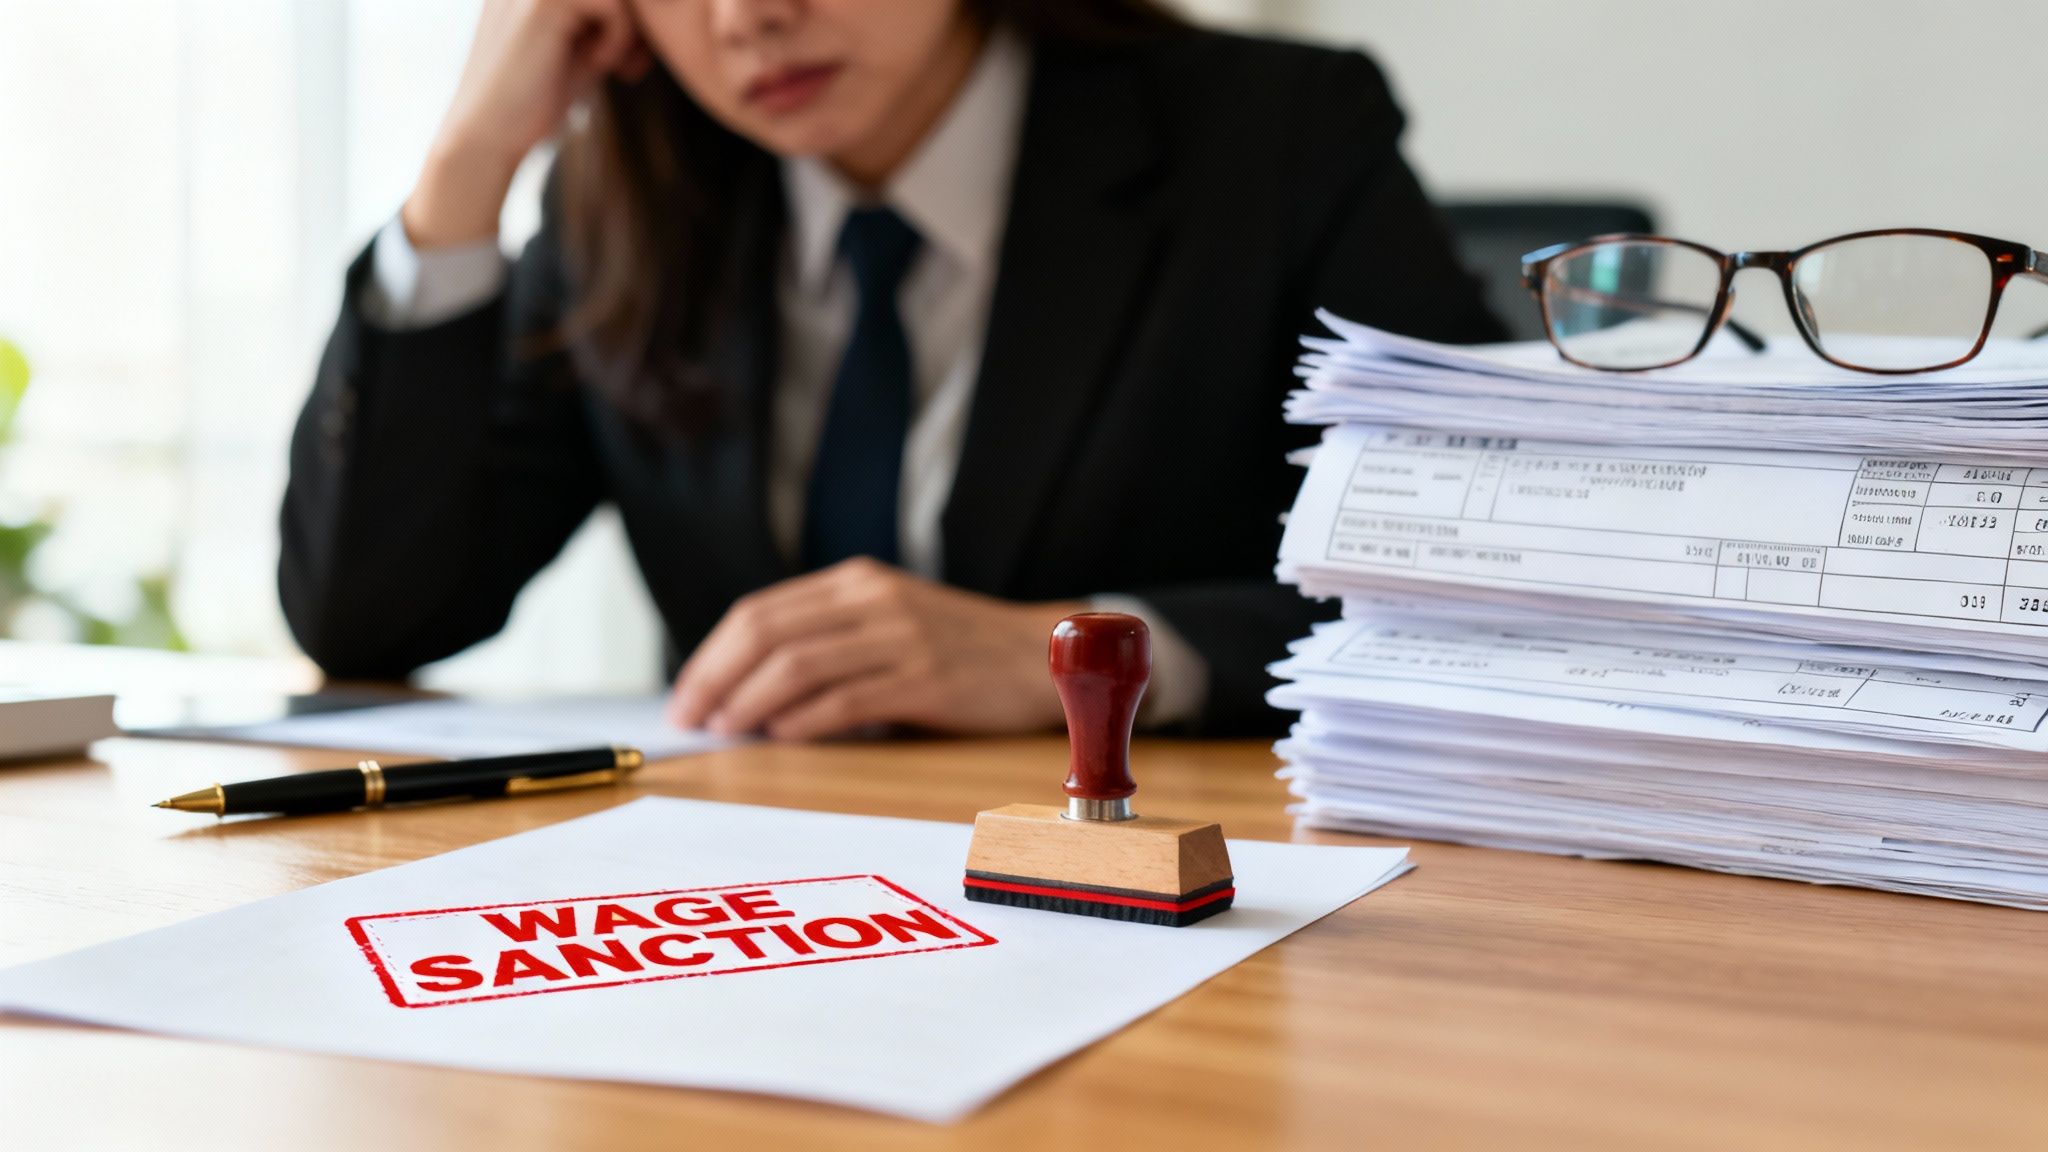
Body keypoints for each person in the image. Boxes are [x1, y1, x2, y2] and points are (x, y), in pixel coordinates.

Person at [279, 0, 1503, 740]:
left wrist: (1084, 656)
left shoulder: (1277, 139)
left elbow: (1484, 584)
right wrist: (464, 168)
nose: (746, 17)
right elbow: (371, 617)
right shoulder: (629, 207)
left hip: (1179, 891)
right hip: (766, 902)